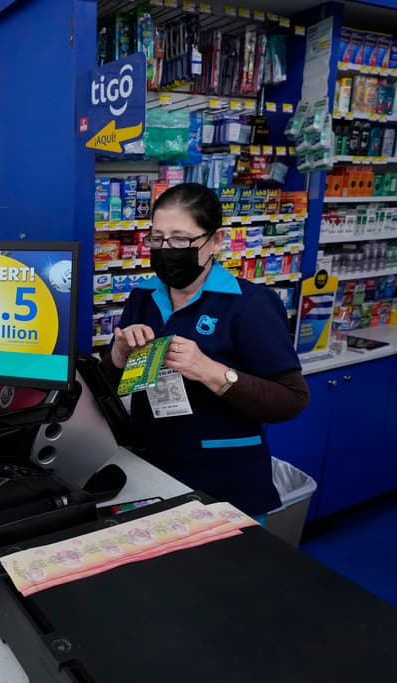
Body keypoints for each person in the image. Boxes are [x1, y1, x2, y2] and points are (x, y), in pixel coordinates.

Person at [102, 182, 310, 516]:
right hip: (150, 474)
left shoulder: (250, 305)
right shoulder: (143, 297)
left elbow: (292, 398)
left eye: (181, 239)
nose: (167, 249)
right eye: (157, 238)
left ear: (215, 241)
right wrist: (117, 356)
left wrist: (210, 371)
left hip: (225, 482)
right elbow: (109, 387)